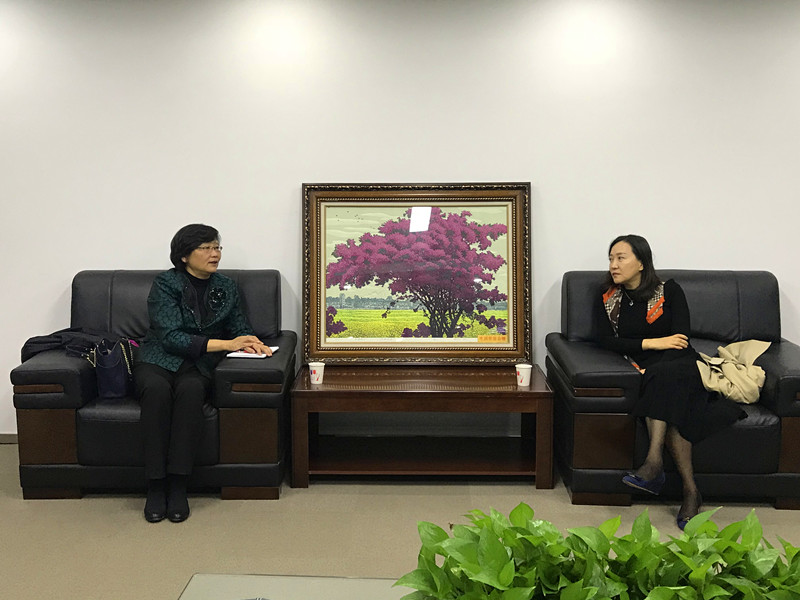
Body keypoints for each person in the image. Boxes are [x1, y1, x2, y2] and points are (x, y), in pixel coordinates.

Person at [595, 234, 743, 529]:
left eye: (621, 258)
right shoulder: (608, 297)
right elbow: (605, 341)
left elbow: (681, 338)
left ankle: (653, 464)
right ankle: (690, 491)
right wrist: (652, 343)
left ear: (641, 262)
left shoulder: (670, 290)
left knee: (664, 378)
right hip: (647, 366)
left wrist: (654, 352)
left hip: (681, 364)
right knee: (671, 403)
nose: (613, 265)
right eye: (611, 259)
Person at [134, 224, 272, 523]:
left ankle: (178, 485)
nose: (215, 254)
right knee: (156, 391)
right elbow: (170, 337)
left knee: (192, 391)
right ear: (184, 255)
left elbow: (238, 327)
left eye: (217, 247)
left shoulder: (227, 286)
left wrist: (252, 342)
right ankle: (155, 485)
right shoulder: (165, 283)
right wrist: (227, 344)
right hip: (158, 359)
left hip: (198, 365)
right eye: (206, 248)